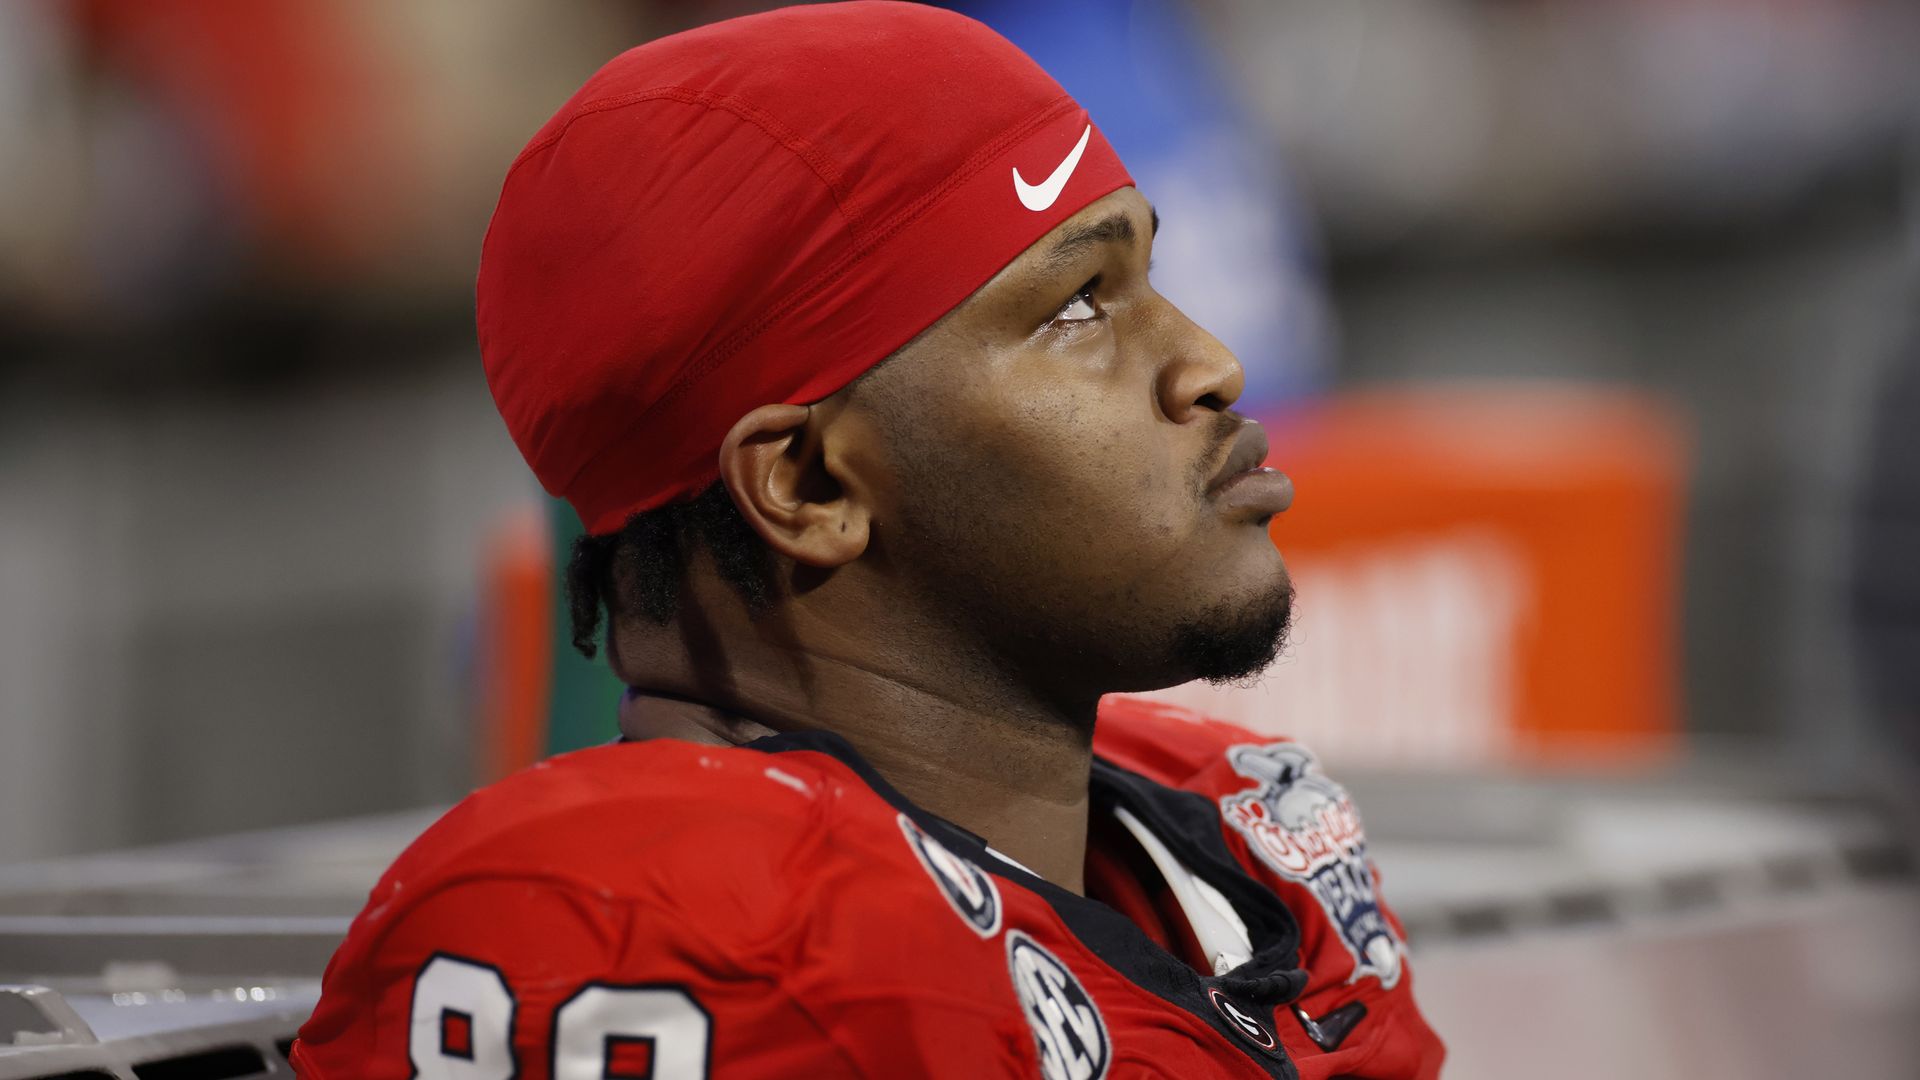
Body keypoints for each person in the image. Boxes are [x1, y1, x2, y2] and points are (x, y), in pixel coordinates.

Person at [292, 4, 1444, 1076]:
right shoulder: (660, 930)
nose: (1210, 364)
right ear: (805, 480)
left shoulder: (1226, 833)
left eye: (1149, 273)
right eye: (1079, 304)